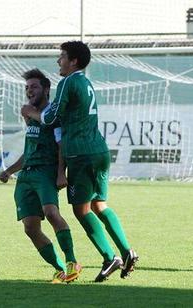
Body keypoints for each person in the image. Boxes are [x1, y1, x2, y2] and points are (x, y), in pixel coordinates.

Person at [21, 41, 138, 282]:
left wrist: (30, 113)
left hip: (80, 154)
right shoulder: (86, 82)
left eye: (62, 56)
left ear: (73, 61)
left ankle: (110, 258)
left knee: (80, 210)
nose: (58, 61)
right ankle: (127, 252)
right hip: (99, 151)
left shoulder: (69, 81)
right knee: (99, 205)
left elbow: (52, 117)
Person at [0, 69, 82, 284]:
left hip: (46, 172)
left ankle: (72, 261)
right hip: (26, 177)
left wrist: (60, 173)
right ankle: (60, 269)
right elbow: (29, 153)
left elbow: (61, 144)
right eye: (27, 88)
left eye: (34, 87)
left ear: (46, 89)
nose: (29, 91)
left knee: (52, 213)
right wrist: (9, 171)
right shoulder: (30, 116)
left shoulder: (53, 114)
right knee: (30, 227)